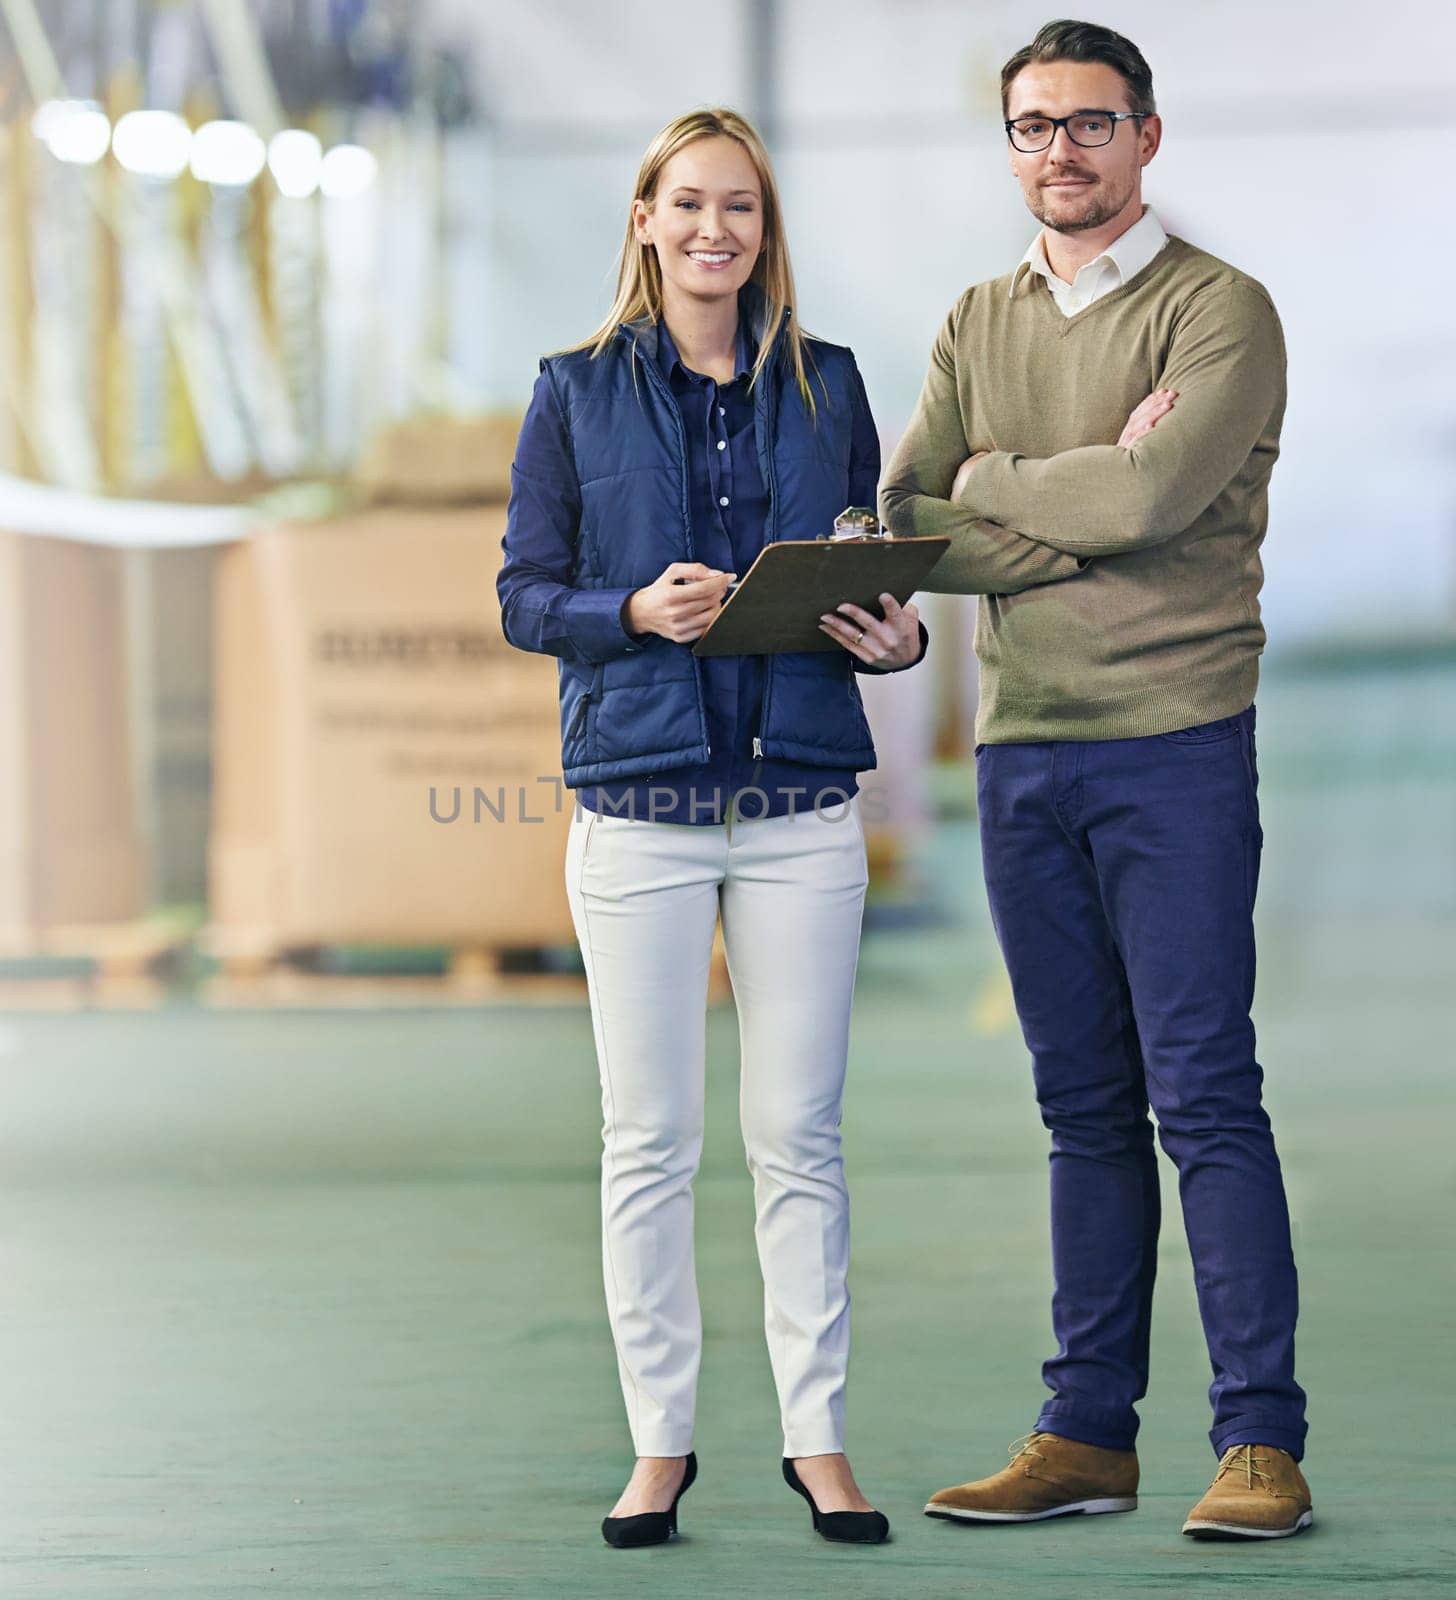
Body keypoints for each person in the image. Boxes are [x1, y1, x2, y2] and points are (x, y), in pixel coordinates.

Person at [872, 19, 1312, 1541]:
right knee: (1080, 1107)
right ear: (1011, 147)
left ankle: (1260, 1442)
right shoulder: (976, 318)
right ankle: (1086, 1434)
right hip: (1024, 751)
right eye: (1034, 127)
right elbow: (901, 510)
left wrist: (995, 483)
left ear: (1147, 136)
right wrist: (1040, 502)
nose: (1060, 150)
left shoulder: (1221, 313)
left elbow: (1149, 491)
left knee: (1204, 1095)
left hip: (1177, 744)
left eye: (1090, 123)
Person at [497, 107, 921, 1550]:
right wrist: (626, 613)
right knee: (651, 1140)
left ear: (764, 229)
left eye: (737, 207)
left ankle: (820, 1439)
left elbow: (870, 568)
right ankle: (659, 1448)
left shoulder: (830, 384)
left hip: (801, 809)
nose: (712, 231)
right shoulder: (570, 392)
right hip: (641, 816)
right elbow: (520, 594)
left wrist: (897, 639)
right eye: (687, 205)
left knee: (799, 1135)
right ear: (643, 219)